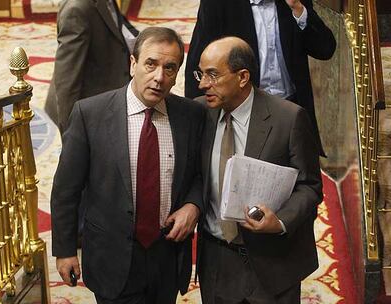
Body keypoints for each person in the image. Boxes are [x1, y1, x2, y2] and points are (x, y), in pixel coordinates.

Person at [50, 27, 205, 304]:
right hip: (113, 256)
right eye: (151, 64)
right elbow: (66, 189)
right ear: (133, 65)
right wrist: (65, 250)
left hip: (167, 255)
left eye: (170, 68)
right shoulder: (90, 114)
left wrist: (193, 205)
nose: (159, 77)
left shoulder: (191, 115)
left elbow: (200, 173)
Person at [196, 37, 323, 303]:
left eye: (213, 75)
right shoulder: (197, 114)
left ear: (243, 77)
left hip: (273, 263)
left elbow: (310, 186)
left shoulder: (288, 118)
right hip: (217, 263)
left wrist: (279, 221)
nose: (202, 84)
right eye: (201, 73)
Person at [185, 0, 336, 156]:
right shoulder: (218, 4)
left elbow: (325, 49)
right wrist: (197, 126)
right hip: (243, 111)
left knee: (299, 175)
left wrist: (298, 9)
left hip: (290, 109)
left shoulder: (294, 3)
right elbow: (198, 64)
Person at [45, 0, 138, 133]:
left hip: (110, 86)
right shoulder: (76, 10)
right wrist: (70, 133)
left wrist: (149, 42)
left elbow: (120, 25)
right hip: (90, 107)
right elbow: (67, 79)